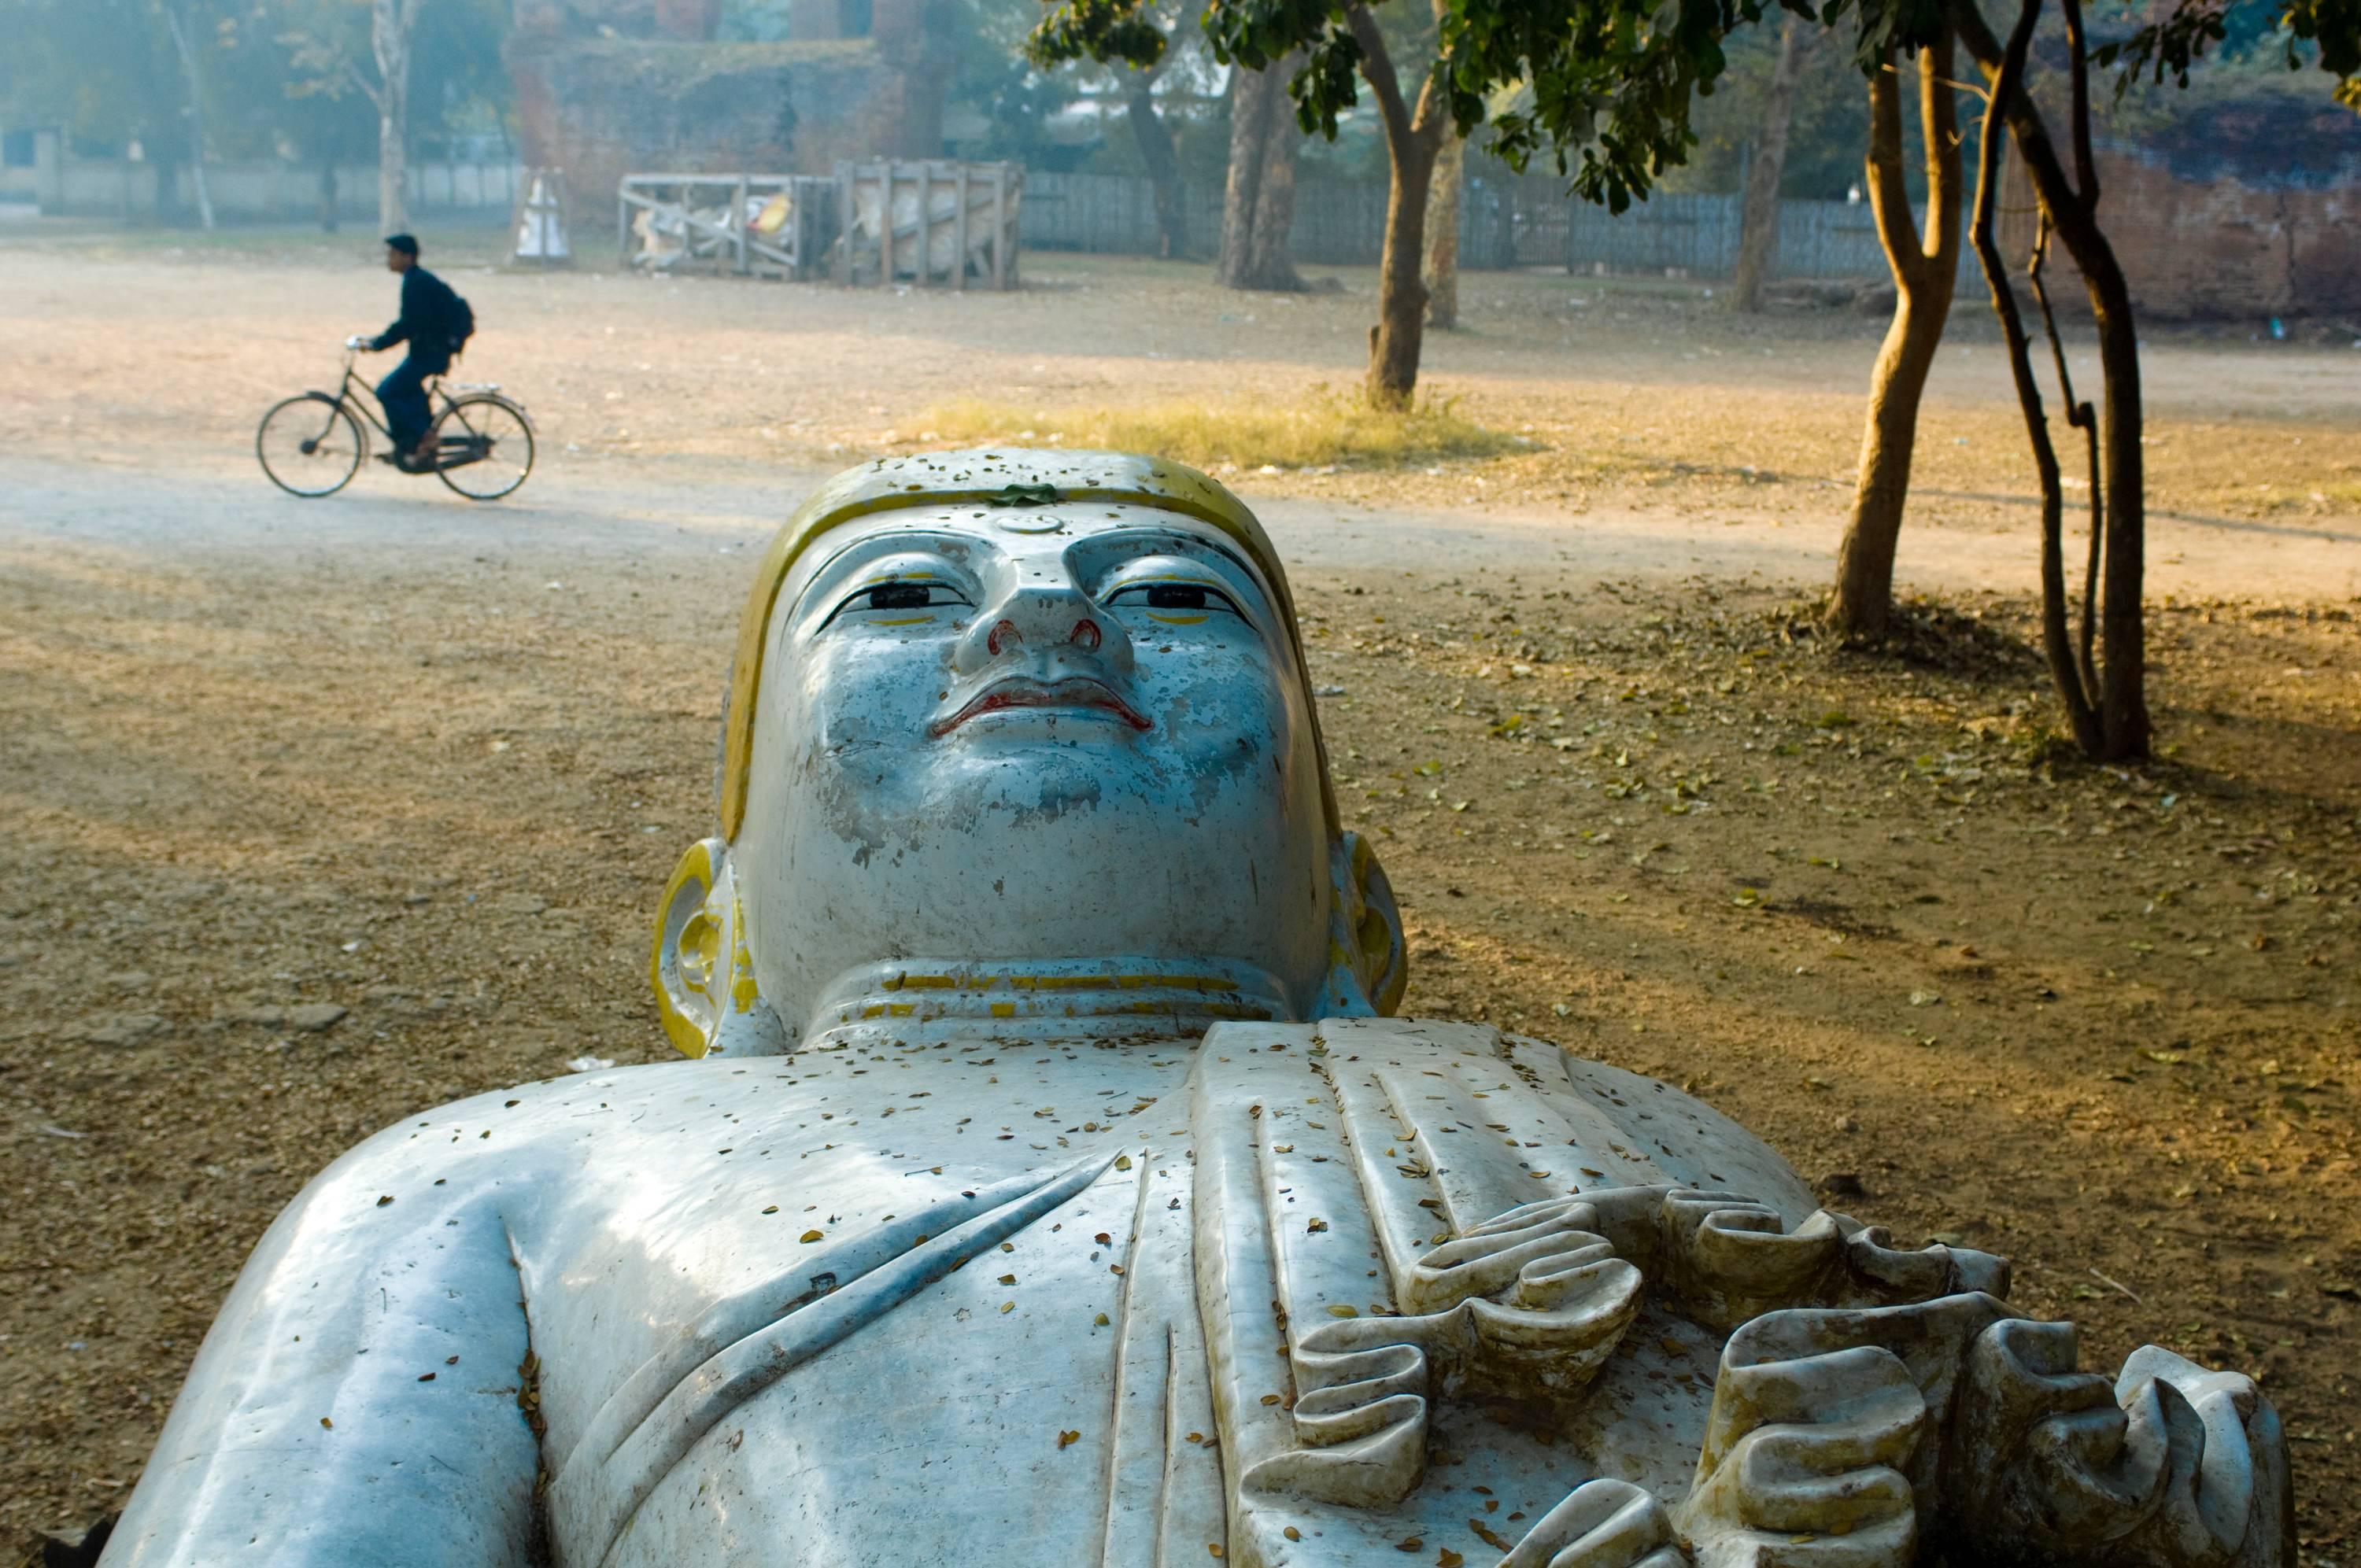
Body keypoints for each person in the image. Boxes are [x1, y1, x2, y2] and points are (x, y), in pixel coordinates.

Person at [97, 452, 2292, 1568]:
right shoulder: (510, 1173)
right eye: (904, 594)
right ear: (713, 942)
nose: (1046, 604)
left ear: (1357, 910)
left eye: (1170, 592)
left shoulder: (1607, 1140)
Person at [353, 234, 466, 472]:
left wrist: (377, 344)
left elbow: (408, 324)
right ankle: (412, 445)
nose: (389, 259)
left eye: (393, 255)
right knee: (407, 391)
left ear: (408, 257)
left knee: (387, 391)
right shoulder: (416, 280)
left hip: (431, 353)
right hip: (429, 351)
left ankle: (424, 438)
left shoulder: (417, 283)